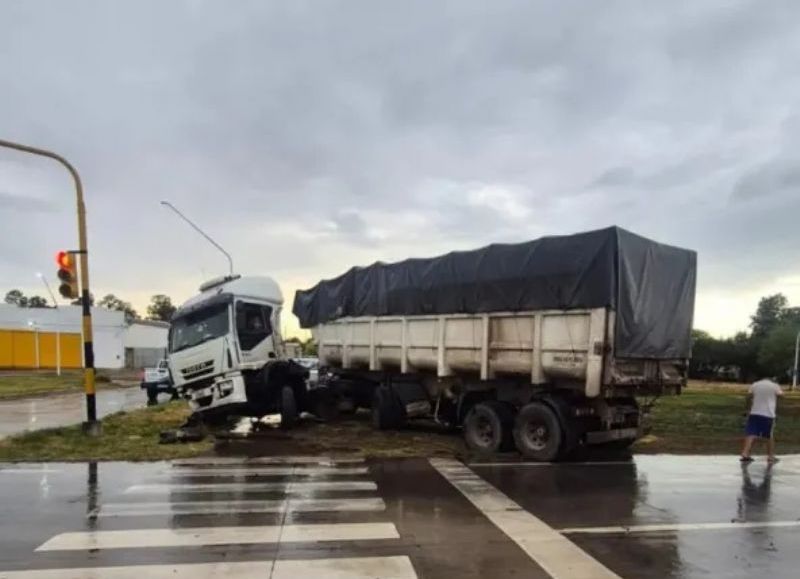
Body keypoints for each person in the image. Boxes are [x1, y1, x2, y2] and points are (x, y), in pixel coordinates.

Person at [740, 377, 784, 464]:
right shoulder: (774, 386)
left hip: (755, 413)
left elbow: (748, 397)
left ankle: (745, 453)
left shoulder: (755, 384)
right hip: (768, 414)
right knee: (768, 436)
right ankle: (770, 456)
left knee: (751, 433)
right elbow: (781, 395)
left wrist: (747, 408)